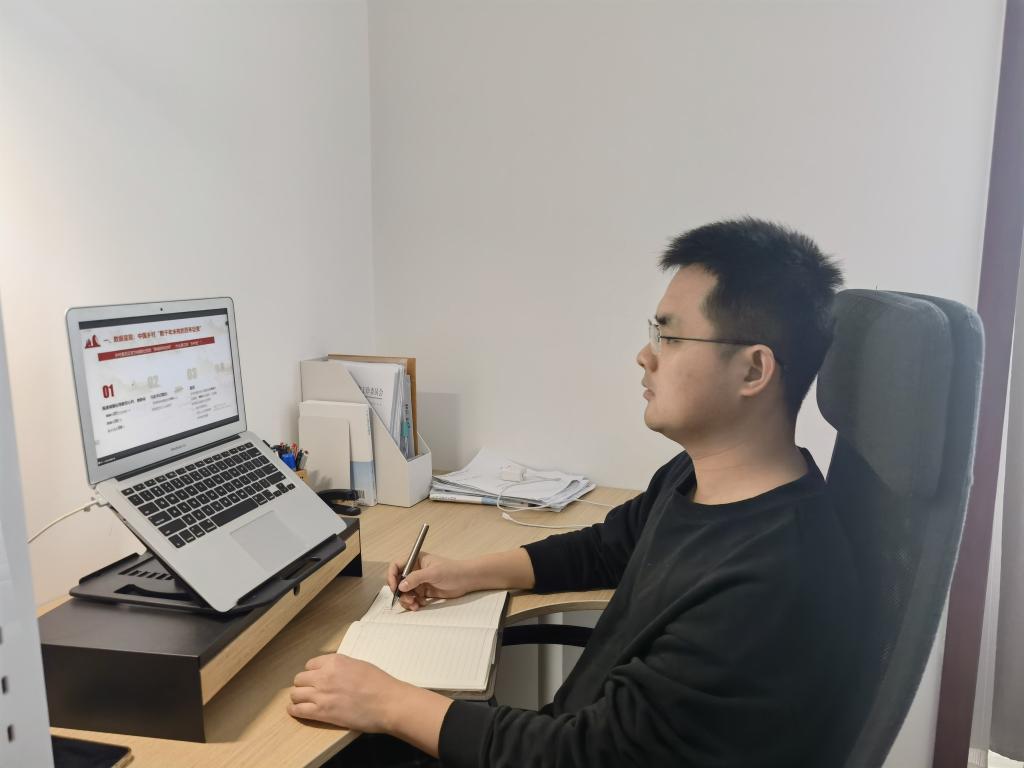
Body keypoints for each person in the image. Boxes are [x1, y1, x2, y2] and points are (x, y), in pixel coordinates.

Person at [288, 217, 859, 767]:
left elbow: (583, 756)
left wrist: (388, 702)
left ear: (753, 371)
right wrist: (468, 572)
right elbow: (607, 548)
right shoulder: (696, 478)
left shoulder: (771, 581)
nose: (645, 355)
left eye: (669, 335)